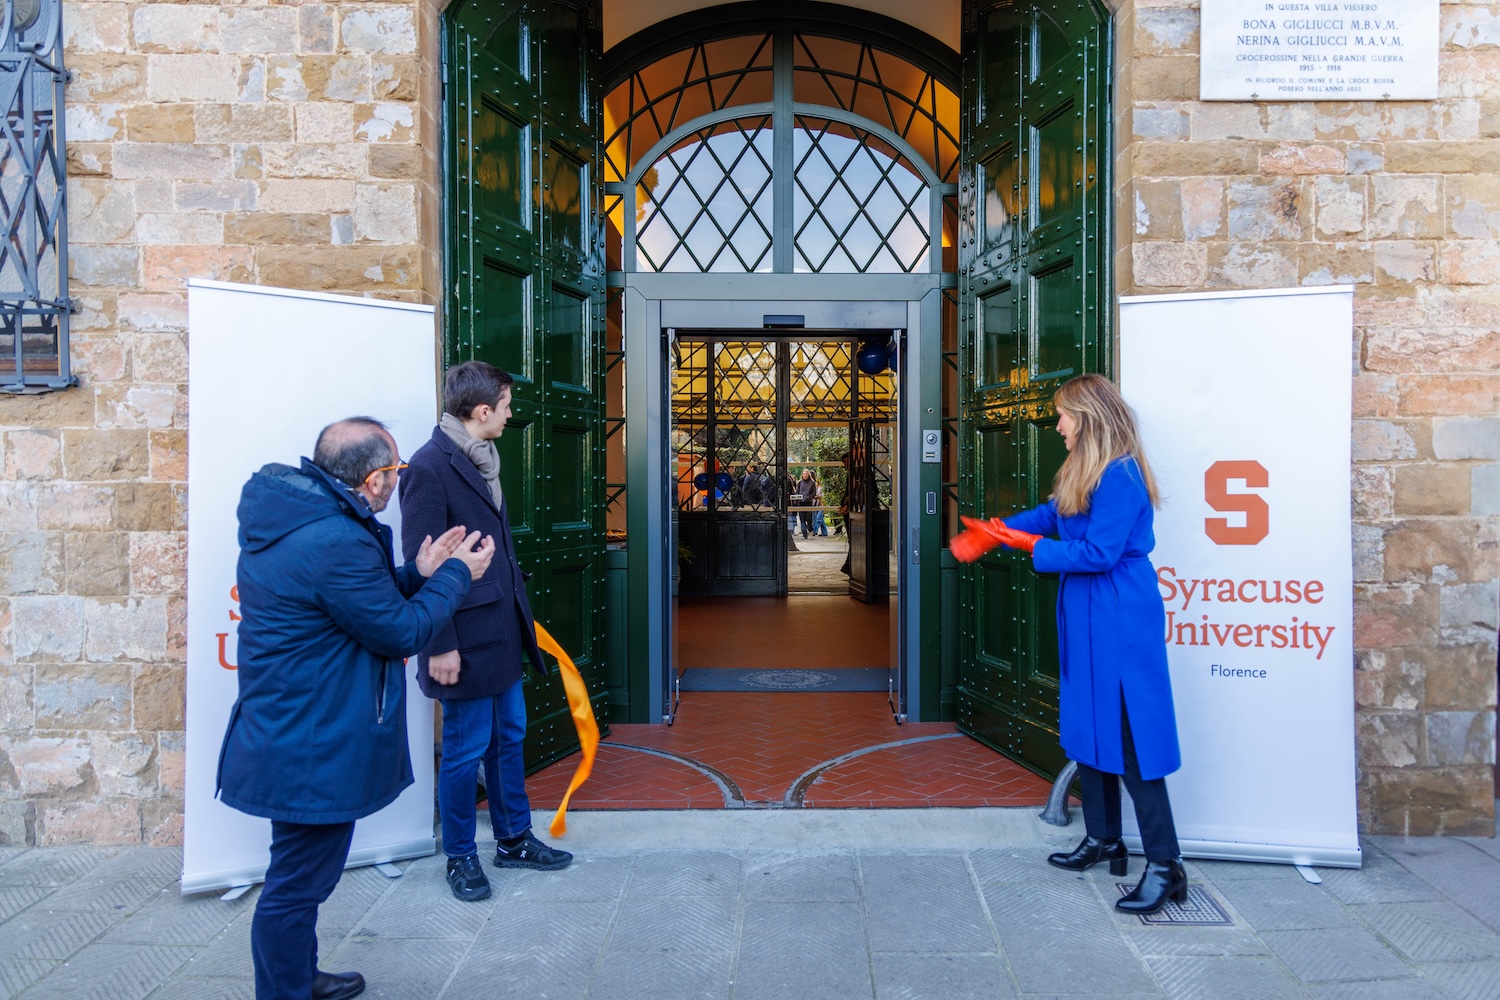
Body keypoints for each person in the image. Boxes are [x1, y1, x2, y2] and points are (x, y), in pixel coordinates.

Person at [218, 417, 495, 1000]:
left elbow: (350, 598)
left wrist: (416, 572)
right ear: (373, 481)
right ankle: (286, 991)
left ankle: (298, 976)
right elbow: (398, 632)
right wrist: (453, 576)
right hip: (311, 741)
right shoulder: (334, 539)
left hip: (294, 727)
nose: (399, 479)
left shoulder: (307, 519)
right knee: (296, 884)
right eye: (395, 471)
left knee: (301, 875)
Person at [953, 373, 1186, 914]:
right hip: (1086, 612)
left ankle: (1167, 866)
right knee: (1089, 728)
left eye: (1063, 415)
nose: (1057, 424)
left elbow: (1099, 553)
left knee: (1129, 740)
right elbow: (1052, 515)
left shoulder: (1122, 474)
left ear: (1089, 418)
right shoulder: (1084, 469)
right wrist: (996, 530)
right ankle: (1105, 838)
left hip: (1119, 613)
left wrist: (1033, 546)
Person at [399, 361, 573, 904]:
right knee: (462, 752)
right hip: (462, 641)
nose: (510, 414)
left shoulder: (486, 459)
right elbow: (422, 565)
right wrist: (439, 643)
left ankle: (514, 839)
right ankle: (460, 856)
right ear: (481, 412)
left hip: (500, 631)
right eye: (506, 406)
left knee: (508, 741)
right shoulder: (429, 468)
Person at [795, 469, 818, 538]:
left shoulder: (812, 482)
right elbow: (797, 491)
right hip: (801, 502)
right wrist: (797, 498)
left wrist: (809, 497)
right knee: (802, 518)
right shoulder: (799, 482)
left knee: (808, 518)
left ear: (808, 475)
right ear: (802, 475)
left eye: (806, 474)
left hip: (808, 502)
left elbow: (814, 493)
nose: (805, 475)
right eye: (804, 474)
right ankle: (804, 533)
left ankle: (810, 529)